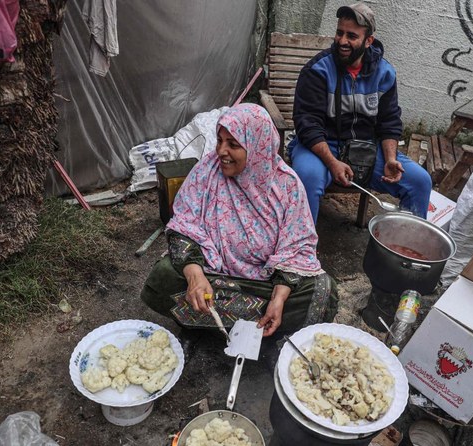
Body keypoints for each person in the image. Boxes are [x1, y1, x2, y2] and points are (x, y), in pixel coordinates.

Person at [140, 104, 338, 357]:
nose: (221, 151)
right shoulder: (206, 172)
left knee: (322, 289)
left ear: (257, 147)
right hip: (212, 276)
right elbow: (184, 227)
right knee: (165, 274)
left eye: (233, 144)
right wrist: (195, 277)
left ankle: (258, 330)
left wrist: (278, 299)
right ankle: (196, 324)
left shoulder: (287, 186)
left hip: (264, 285)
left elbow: (297, 249)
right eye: (220, 141)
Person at [289, 2, 432, 223]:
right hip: (322, 145)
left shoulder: (385, 73)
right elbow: (307, 123)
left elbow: (389, 122)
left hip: (365, 148)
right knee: (308, 176)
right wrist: (332, 162)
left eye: (351, 36)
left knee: (420, 181)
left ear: (368, 41)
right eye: (339, 33)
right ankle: (300, 252)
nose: (342, 41)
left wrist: (391, 159)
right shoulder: (318, 70)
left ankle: (406, 248)